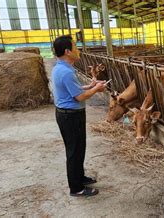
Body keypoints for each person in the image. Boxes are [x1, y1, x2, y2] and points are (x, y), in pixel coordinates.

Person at [51, 35, 106, 197]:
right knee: (74, 150)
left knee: (79, 148)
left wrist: (90, 85)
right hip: (70, 116)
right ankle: (76, 188)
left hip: (69, 114)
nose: (78, 50)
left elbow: (73, 89)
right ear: (68, 51)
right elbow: (79, 97)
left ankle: (80, 177)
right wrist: (96, 89)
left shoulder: (63, 68)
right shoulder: (65, 71)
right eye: (75, 47)